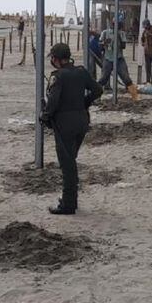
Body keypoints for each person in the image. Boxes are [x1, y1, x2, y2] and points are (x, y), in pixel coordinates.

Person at [41, 43, 102, 215]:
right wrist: (84, 103)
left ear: (56, 59)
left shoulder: (58, 76)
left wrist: (44, 116)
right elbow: (98, 90)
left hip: (64, 124)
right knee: (71, 160)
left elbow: (53, 101)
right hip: (81, 121)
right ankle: (70, 199)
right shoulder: (81, 72)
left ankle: (68, 204)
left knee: (67, 165)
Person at [99, 20, 138, 100]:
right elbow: (100, 45)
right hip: (108, 58)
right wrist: (105, 42)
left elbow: (123, 46)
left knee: (126, 78)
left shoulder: (121, 33)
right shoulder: (105, 33)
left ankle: (135, 96)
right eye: (113, 25)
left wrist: (118, 37)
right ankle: (95, 95)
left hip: (119, 58)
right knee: (103, 78)